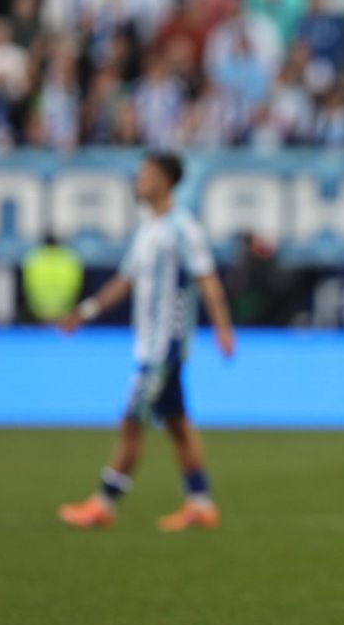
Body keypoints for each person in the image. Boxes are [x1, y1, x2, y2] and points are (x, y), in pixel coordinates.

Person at [55, 151, 237, 531]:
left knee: (131, 420)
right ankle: (201, 503)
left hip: (164, 346)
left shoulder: (183, 229)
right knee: (177, 424)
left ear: (165, 181)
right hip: (148, 344)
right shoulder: (148, 228)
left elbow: (207, 280)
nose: (138, 181)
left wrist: (223, 328)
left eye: (146, 175)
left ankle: (104, 502)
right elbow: (125, 280)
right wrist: (85, 312)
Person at [21, 235, 85, 323]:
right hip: (59, 312)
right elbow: (77, 286)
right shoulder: (70, 257)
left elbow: (26, 287)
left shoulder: (33, 257)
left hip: (40, 313)